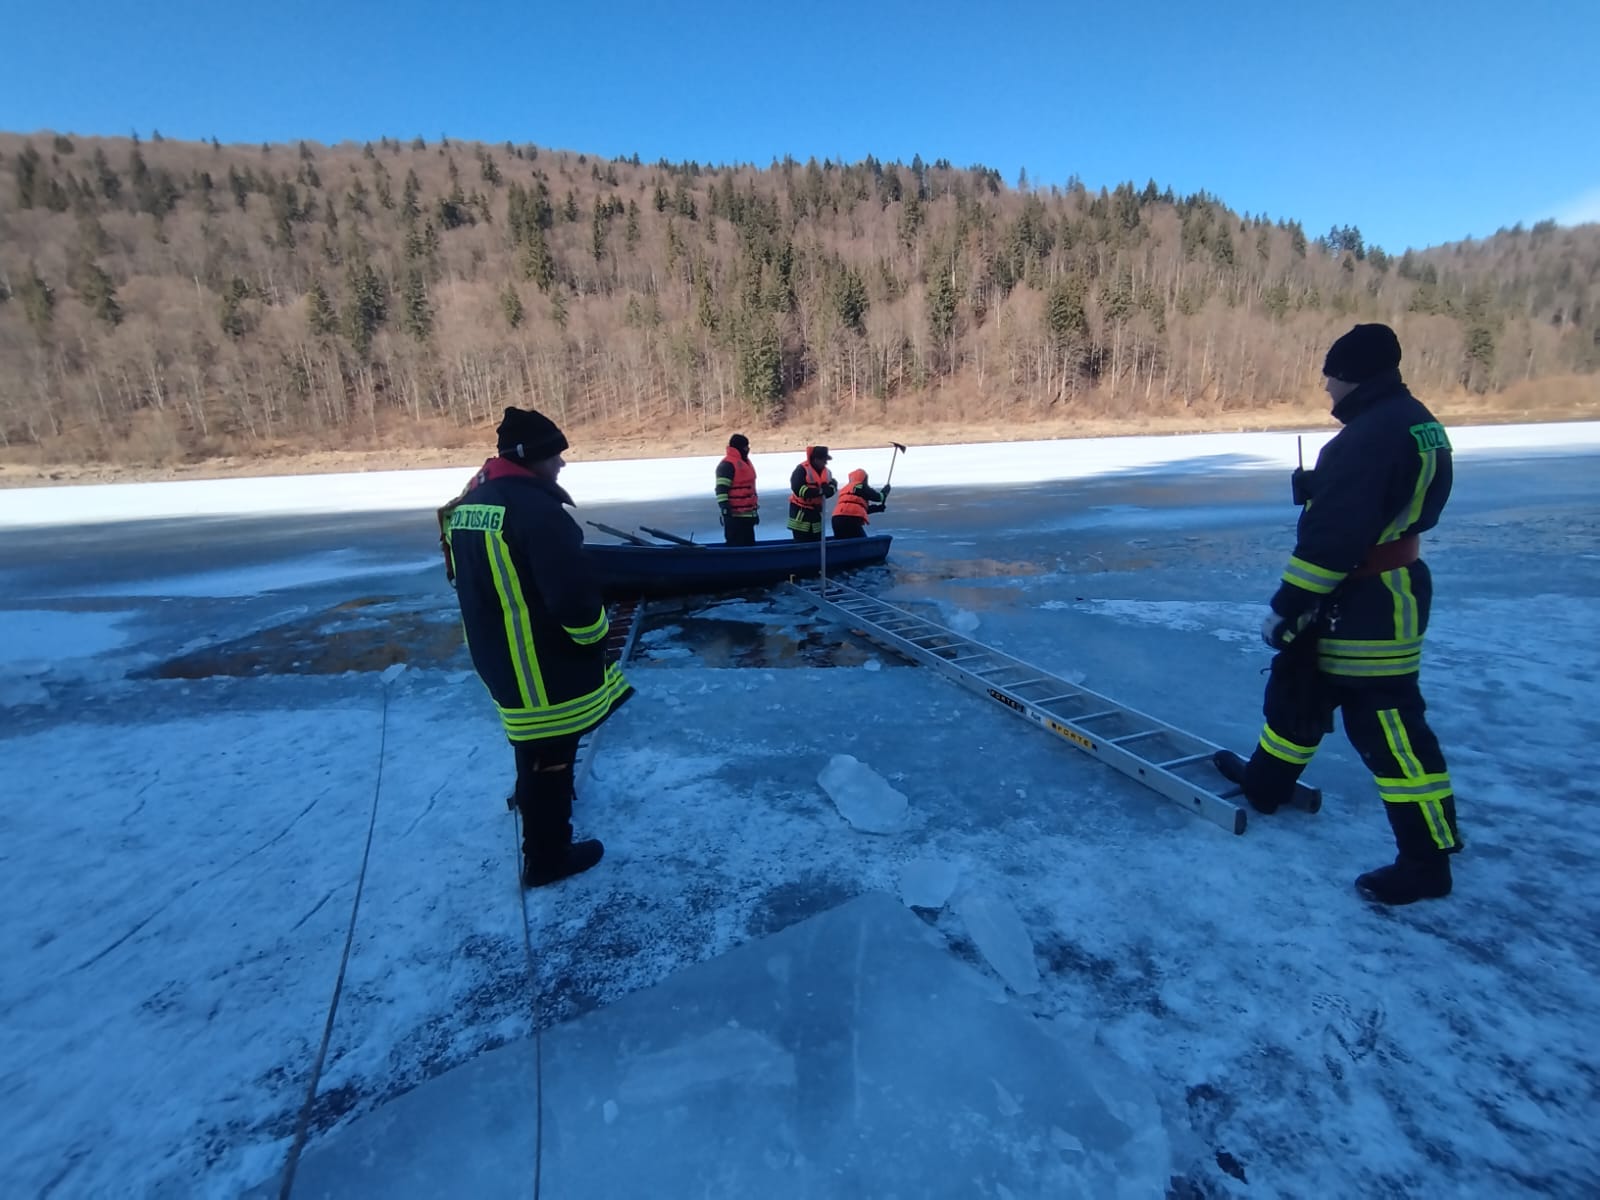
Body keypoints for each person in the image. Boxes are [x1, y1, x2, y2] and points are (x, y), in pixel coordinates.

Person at [1214, 323, 1461, 905]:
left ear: (1352, 375)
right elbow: (1389, 499)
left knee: (1389, 727)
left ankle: (1427, 860)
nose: (1326, 387)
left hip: (1363, 600)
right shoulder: (1415, 420)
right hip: (1390, 587)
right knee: (1302, 688)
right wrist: (1327, 485)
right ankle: (1267, 784)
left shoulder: (1365, 439)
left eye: (1331, 374)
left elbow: (1332, 540)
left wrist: (1288, 605)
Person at [438, 406, 633, 888]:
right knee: (552, 755)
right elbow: (572, 599)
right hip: (541, 665)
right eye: (556, 455)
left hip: (500, 657)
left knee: (531, 746)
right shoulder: (537, 512)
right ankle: (547, 857)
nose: (562, 465)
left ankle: (535, 806)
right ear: (533, 459)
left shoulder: (470, 505)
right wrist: (595, 638)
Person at [715, 433, 759, 546]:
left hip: (748, 516)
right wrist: (725, 507)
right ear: (738, 447)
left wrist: (754, 513)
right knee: (735, 544)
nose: (748, 449)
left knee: (749, 545)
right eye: (745, 447)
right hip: (734, 517)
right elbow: (721, 489)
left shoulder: (745, 462)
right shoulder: (727, 465)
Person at [786, 445, 836, 541]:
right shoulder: (801, 470)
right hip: (800, 514)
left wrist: (829, 489)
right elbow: (798, 489)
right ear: (815, 459)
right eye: (823, 460)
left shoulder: (827, 472)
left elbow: (833, 486)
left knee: (818, 541)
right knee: (802, 542)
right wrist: (820, 491)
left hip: (816, 513)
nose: (825, 463)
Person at [830, 468, 889, 538]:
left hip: (836, 518)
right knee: (861, 542)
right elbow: (879, 497)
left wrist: (877, 508)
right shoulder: (861, 486)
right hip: (850, 519)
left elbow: (856, 507)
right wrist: (885, 491)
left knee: (842, 542)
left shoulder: (845, 489)